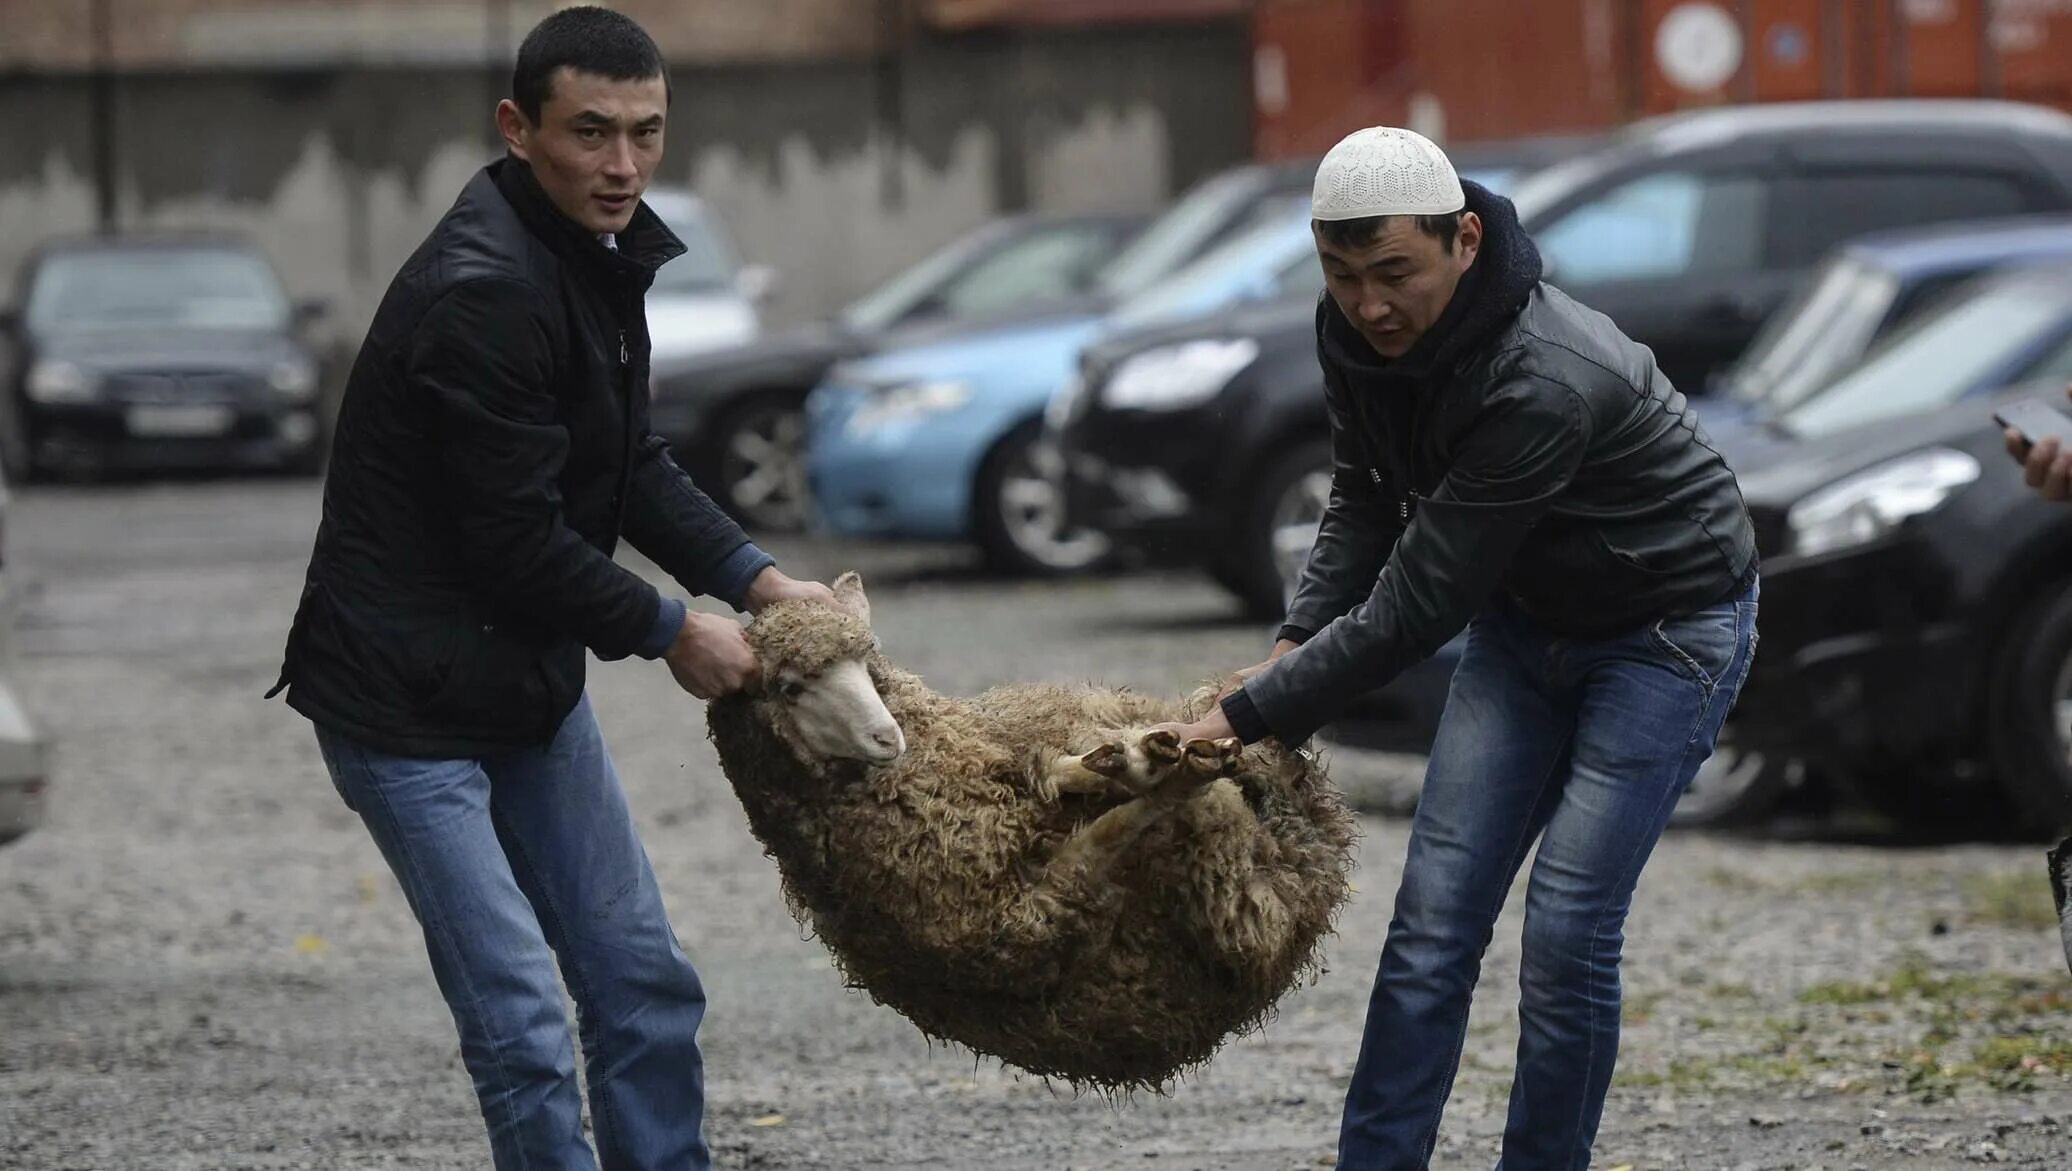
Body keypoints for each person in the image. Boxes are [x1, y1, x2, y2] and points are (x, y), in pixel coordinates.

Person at [268, 9, 830, 1169]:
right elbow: (513, 541)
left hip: (519, 682)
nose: (622, 166)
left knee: (642, 984)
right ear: (518, 129)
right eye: (589, 133)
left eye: (645, 133)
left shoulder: (591, 253)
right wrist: (677, 629)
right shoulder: (485, 288)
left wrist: (757, 579)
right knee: (522, 1019)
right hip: (401, 705)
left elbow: (624, 465)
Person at [1154, 127, 1761, 1169]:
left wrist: (1251, 711)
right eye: (1342, 277)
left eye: (1393, 273)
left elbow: (1417, 603)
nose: (1369, 305)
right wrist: (1294, 638)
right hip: (1528, 622)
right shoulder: (1352, 332)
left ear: (1464, 239)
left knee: (1566, 931)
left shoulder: (1542, 376)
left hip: (1662, 633)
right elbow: (1361, 498)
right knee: (1431, 928)